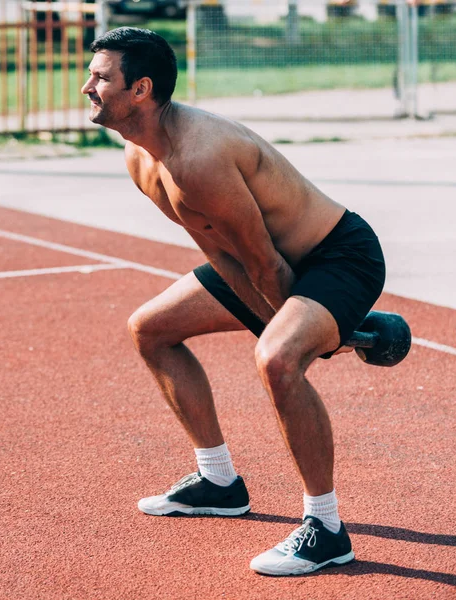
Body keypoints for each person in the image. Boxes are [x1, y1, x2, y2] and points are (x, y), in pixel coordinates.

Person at [81, 27, 386, 576]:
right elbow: (222, 253)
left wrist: (301, 335)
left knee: (278, 361)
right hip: (262, 261)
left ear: (141, 90)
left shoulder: (200, 157)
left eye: (101, 77)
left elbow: (266, 264)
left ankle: (327, 529)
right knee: (150, 329)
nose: (87, 86)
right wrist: (299, 326)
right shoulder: (141, 155)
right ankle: (218, 480)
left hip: (338, 258)